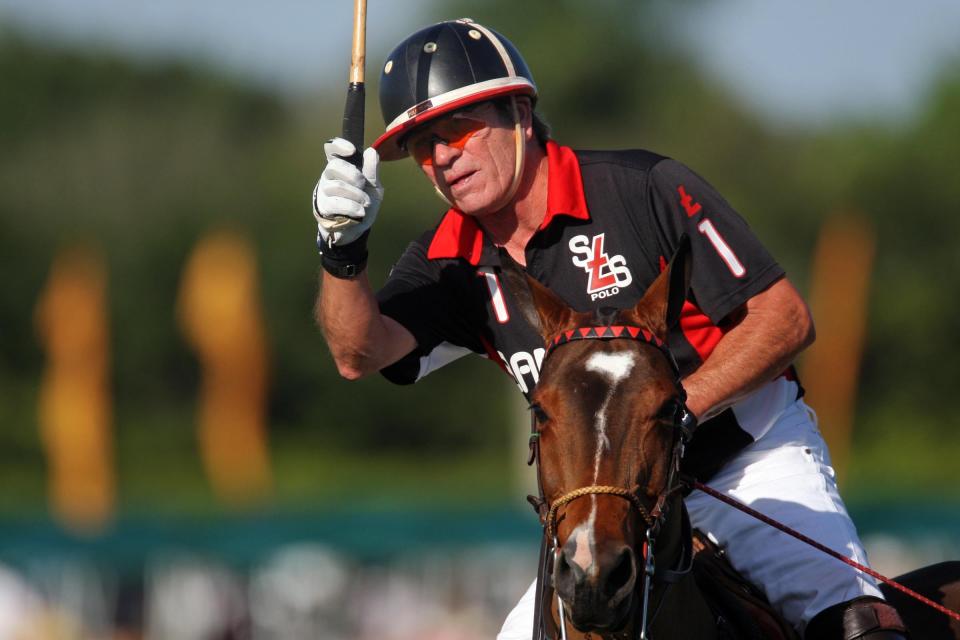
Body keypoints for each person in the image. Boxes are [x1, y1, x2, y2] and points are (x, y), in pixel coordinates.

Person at [311, 18, 907, 640]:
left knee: (857, 625)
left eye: (458, 129)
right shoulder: (447, 257)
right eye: (422, 147)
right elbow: (359, 352)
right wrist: (340, 252)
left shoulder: (643, 189)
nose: (441, 157)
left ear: (519, 112)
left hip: (743, 464)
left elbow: (783, 317)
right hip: (598, 505)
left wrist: (677, 410)